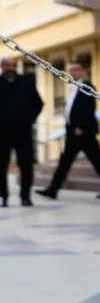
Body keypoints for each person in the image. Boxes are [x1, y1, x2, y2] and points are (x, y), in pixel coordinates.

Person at [35, 62, 100, 200]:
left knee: (95, 161)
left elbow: (89, 109)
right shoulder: (73, 88)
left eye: (76, 70)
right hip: (73, 131)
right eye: (70, 70)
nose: (73, 73)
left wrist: (81, 127)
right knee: (67, 162)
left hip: (83, 133)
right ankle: (53, 189)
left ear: (83, 71)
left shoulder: (87, 86)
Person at [0, 56, 43, 208]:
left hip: (23, 131)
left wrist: (29, 119)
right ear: (2, 66)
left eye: (13, 65)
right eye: (8, 65)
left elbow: (38, 103)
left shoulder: (27, 82)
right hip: (2, 132)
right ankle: (3, 196)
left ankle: (25, 196)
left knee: (26, 164)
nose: (11, 68)